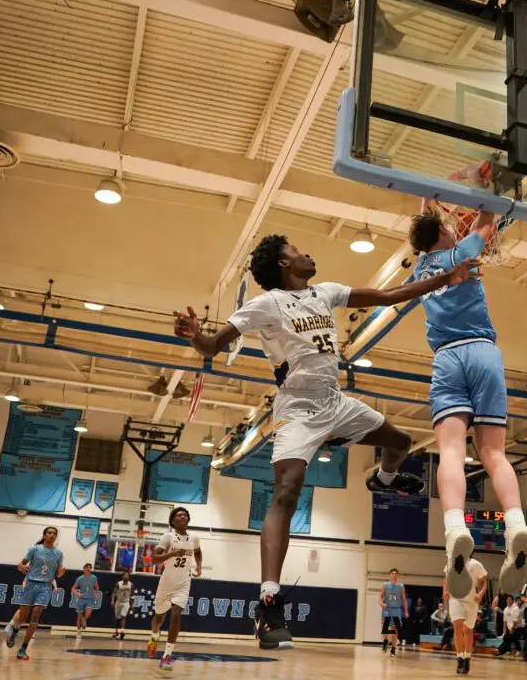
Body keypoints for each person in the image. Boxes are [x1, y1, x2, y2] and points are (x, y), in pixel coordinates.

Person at [174, 235, 475, 650]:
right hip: (296, 410)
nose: (307, 252)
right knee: (286, 491)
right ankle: (268, 601)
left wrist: (449, 277)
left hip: (334, 403)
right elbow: (212, 346)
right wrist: (195, 335)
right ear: (283, 262)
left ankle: (386, 479)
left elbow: (390, 294)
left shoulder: (326, 292)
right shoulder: (266, 305)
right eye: (298, 250)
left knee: (401, 440)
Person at [408, 194, 527, 597]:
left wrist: (427, 196)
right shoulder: (461, 252)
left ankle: (455, 528)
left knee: (451, 455)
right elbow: (487, 222)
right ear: (444, 231)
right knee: (494, 454)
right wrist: (486, 192)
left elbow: (424, 226)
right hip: (484, 353)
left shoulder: (421, 274)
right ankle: (516, 524)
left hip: (447, 359)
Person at [147, 507, 203, 671]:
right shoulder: (168, 537)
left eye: (185, 514)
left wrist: (199, 566)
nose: (183, 516)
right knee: (159, 616)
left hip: (183, 583)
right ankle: (154, 636)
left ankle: (167, 656)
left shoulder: (194, 538)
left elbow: (198, 552)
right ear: (173, 521)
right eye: (179, 515)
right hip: (166, 583)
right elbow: (154, 559)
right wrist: (172, 554)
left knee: (176, 614)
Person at [5, 527, 66, 661]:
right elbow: (21, 564)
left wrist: (61, 572)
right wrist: (21, 566)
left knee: (37, 612)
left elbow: (58, 572)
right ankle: (15, 631)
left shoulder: (58, 553)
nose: (52, 535)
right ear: (44, 535)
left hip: (45, 586)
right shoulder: (35, 549)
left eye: (54, 534)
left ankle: (23, 649)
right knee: (23, 616)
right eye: (49, 533)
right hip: (31, 583)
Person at [444, 556, 487, 675]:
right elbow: (446, 578)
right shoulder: (451, 563)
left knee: (468, 630)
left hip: (471, 601)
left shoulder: (475, 564)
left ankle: (467, 658)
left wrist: (481, 594)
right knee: (457, 626)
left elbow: (484, 582)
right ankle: (459, 658)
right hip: (455, 599)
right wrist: (445, 591)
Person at [380, 568, 408, 656]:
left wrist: (406, 611)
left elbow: (404, 599)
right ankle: (385, 641)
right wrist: (381, 603)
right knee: (385, 626)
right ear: (390, 575)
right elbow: (380, 596)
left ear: (397, 575)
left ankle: (393, 649)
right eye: (392, 573)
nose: (394, 574)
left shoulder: (401, 586)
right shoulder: (385, 585)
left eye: (395, 573)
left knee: (394, 629)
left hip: (396, 609)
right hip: (387, 608)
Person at [71, 563, 99, 636]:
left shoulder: (94, 577)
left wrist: (96, 593)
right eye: (87, 567)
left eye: (90, 567)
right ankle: (78, 631)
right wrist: (77, 594)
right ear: (84, 569)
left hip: (90, 598)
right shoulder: (80, 578)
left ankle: (85, 618)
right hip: (82, 598)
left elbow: (96, 586)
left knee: (88, 613)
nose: (88, 569)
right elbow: (73, 588)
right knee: (79, 616)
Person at [111, 571, 133, 640]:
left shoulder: (131, 584)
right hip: (118, 601)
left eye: (127, 575)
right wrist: (112, 601)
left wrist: (133, 604)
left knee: (123, 616)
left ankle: (122, 631)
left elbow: (132, 595)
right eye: (125, 575)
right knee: (117, 618)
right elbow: (114, 593)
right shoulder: (118, 584)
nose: (126, 576)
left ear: (129, 577)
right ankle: (117, 631)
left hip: (126, 602)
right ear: (122, 576)